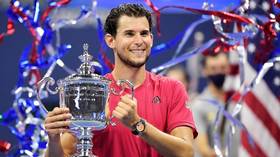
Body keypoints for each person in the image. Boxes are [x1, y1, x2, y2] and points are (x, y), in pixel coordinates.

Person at [43, 3, 197, 157]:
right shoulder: (94, 93)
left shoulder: (172, 89)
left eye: (144, 33)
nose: (139, 41)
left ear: (151, 38)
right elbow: (64, 153)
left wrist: (137, 124)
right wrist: (54, 139)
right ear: (111, 41)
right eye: (129, 34)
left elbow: (186, 153)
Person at [191, 52, 236, 157]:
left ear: (229, 68)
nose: (219, 72)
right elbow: (203, 149)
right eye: (213, 69)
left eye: (222, 67)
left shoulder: (236, 100)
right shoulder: (199, 105)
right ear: (205, 71)